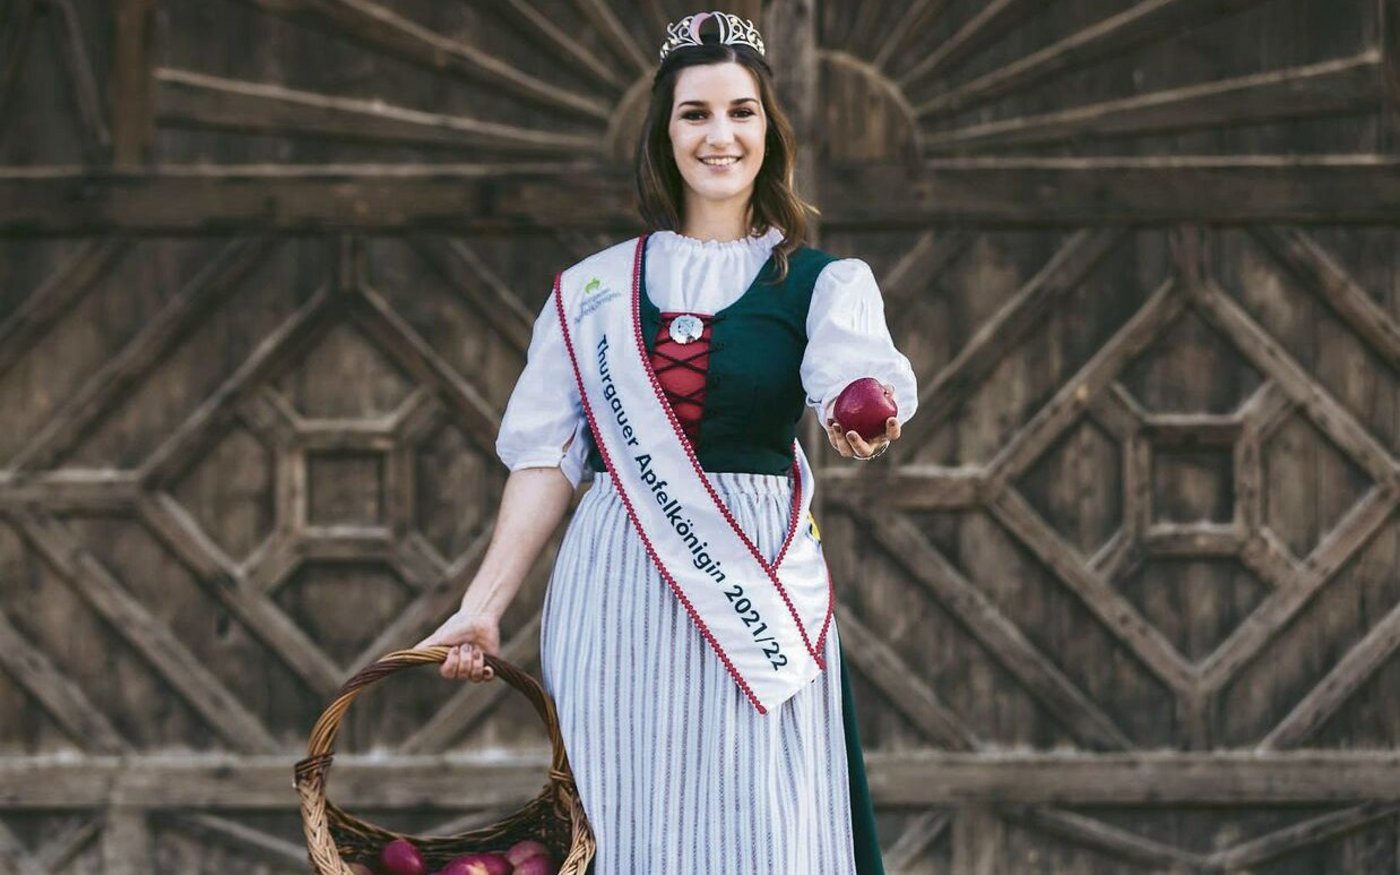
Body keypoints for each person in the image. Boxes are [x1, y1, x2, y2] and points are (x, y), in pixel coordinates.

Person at [416, 11, 916, 874]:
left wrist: (856, 415)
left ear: (769, 129)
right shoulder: (591, 291)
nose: (720, 135)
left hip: (753, 586)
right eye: (695, 114)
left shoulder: (825, 284)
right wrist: (487, 601)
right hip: (617, 585)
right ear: (664, 131)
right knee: (626, 817)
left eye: (742, 112)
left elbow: (855, 390)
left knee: (762, 825)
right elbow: (547, 458)